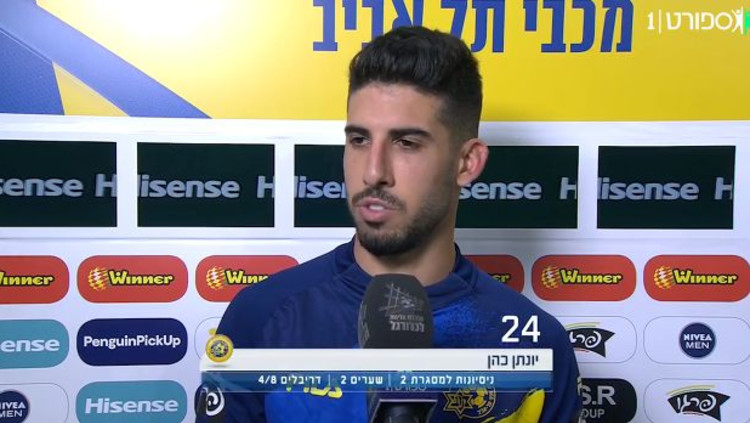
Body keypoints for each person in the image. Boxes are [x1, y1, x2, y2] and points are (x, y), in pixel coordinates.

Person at [197, 26, 582, 422]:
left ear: (467, 163)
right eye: (359, 140)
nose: (373, 172)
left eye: (407, 143)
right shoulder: (262, 315)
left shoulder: (537, 344)